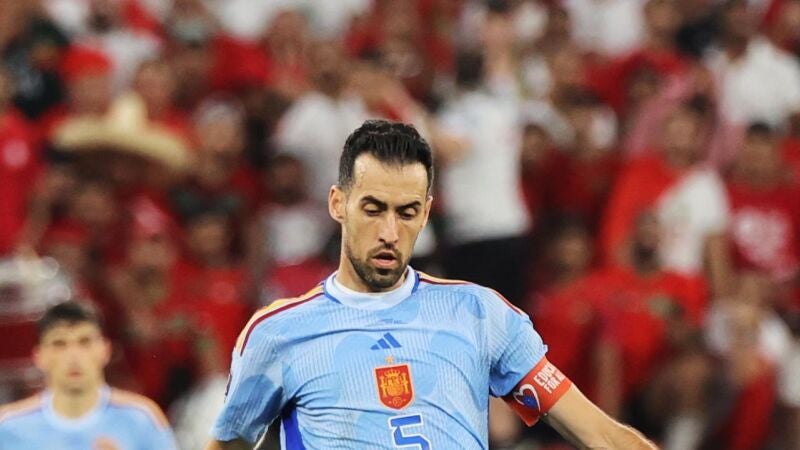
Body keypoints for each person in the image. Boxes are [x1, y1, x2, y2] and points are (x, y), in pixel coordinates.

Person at [205, 120, 657, 450]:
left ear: (425, 213)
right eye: (373, 209)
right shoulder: (278, 333)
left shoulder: (478, 314)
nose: (389, 232)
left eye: (406, 213)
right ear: (338, 204)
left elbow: (601, 436)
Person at [0, 301, 179, 449]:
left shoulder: (141, 420)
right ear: (39, 356)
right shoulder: (8, 426)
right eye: (59, 344)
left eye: (84, 342)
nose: (73, 356)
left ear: (105, 350)